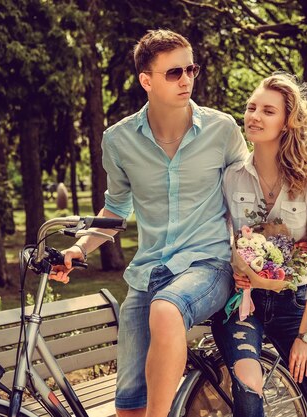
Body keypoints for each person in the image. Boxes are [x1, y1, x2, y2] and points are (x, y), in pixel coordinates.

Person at [51, 30, 248, 417]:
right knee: (128, 402)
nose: (187, 79)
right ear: (146, 80)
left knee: (167, 308)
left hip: (207, 265)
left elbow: (247, 199)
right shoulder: (119, 140)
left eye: (191, 69)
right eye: (174, 72)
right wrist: (77, 248)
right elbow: (115, 210)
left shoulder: (222, 130)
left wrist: (252, 254)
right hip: (147, 273)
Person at [211, 73, 307, 417]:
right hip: (242, 306)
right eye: (251, 107)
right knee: (249, 392)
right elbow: (217, 235)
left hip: (294, 308)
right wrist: (235, 264)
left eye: (268, 111)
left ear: (287, 122)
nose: (254, 116)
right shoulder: (231, 177)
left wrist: (305, 337)